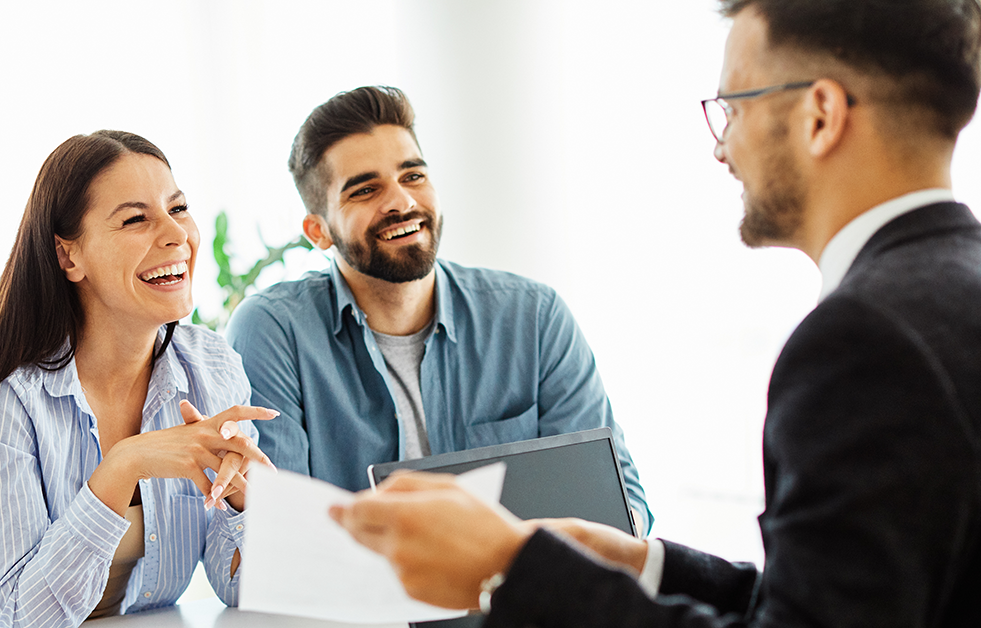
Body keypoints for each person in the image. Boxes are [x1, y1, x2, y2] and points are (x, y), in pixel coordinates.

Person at [330, 0, 981, 625]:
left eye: (733, 108)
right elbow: (839, 604)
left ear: (821, 116)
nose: (722, 149)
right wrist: (646, 565)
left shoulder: (861, 340)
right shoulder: (954, 288)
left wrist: (514, 567)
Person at [225, 86, 652, 533]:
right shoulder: (273, 331)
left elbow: (621, 504)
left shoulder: (535, 317)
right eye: (366, 190)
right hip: (358, 582)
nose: (402, 202)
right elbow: (283, 531)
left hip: (526, 577)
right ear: (319, 232)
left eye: (413, 176)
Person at [0, 131, 278, 628]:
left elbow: (240, 590)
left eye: (178, 208)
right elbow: (23, 617)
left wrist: (243, 503)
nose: (176, 234)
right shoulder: (9, 396)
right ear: (69, 257)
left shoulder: (210, 366)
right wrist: (124, 464)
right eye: (135, 219)